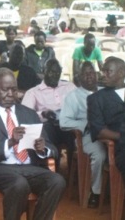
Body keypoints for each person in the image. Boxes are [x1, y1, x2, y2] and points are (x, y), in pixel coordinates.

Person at [0, 67, 65, 220]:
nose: (10, 94)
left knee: (57, 181)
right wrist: (10, 142)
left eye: (14, 89)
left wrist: (43, 149)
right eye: (5, 90)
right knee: (19, 184)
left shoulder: (29, 113)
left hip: (29, 167)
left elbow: (52, 148)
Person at [60, 61, 106, 208]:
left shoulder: (105, 91)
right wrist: (85, 125)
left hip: (109, 133)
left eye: (92, 73)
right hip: (87, 136)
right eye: (85, 74)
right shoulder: (73, 96)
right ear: (79, 78)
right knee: (100, 155)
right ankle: (96, 192)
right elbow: (64, 122)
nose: (90, 76)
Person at [22, 59, 76, 169]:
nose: (54, 76)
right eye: (51, 72)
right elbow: (24, 115)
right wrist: (43, 114)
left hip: (68, 124)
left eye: (57, 73)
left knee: (75, 138)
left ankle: (73, 174)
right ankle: (53, 171)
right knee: (48, 134)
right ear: (43, 71)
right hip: (48, 126)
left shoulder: (69, 87)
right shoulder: (34, 92)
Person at [88, 57, 125, 184]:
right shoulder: (96, 99)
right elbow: (99, 131)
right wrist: (122, 136)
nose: (103, 75)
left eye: (108, 71)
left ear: (121, 73)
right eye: (103, 71)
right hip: (121, 147)